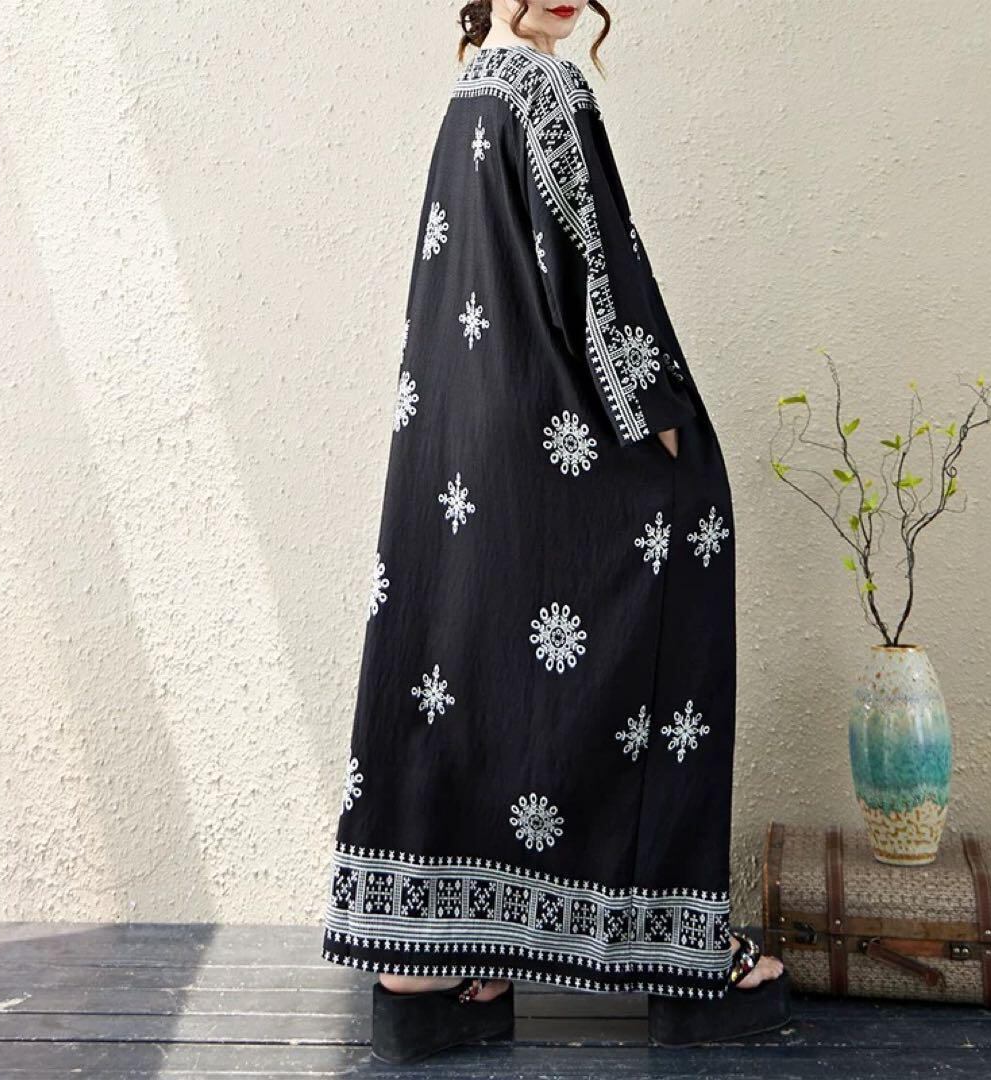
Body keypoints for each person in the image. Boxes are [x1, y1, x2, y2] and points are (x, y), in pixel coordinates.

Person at [320, 0, 788, 1064]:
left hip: (463, 438)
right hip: (547, 430)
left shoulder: (467, 91)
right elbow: (598, 274)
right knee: (684, 540)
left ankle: (429, 962)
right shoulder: (543, 87)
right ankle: (675, 948)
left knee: (463, 664)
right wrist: (662, 421)